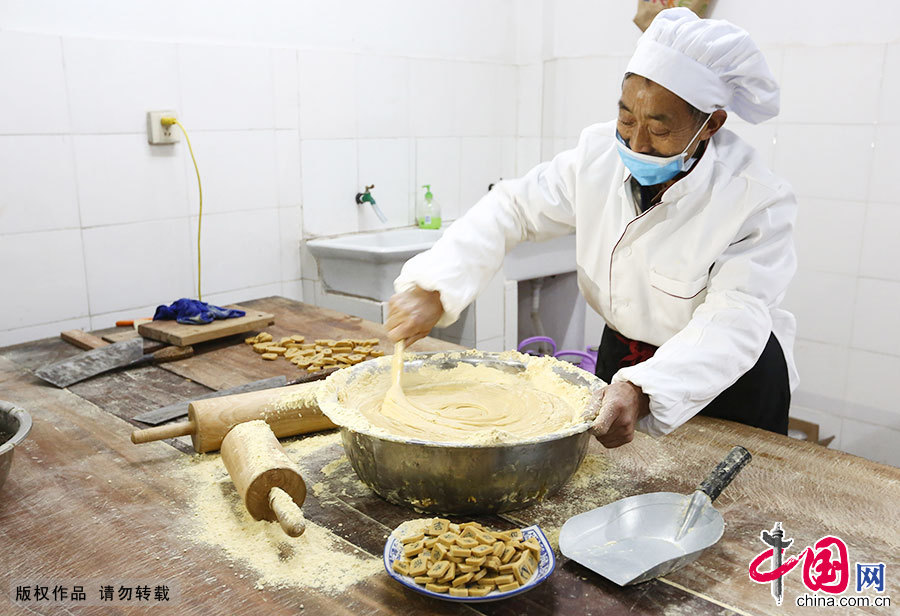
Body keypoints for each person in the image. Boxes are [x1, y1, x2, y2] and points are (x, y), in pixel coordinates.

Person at [385, 8, 797, 448]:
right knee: (615, 493)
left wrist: (645, 388)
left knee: (732, 506)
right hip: (624, 358)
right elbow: (514, 207)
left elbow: (733, 319)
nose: (636, 144)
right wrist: (436, 284)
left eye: (659, 130)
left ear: (711, 124)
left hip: (724, 377)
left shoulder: (754, 198)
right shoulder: (597, 154)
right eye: (626, 119)